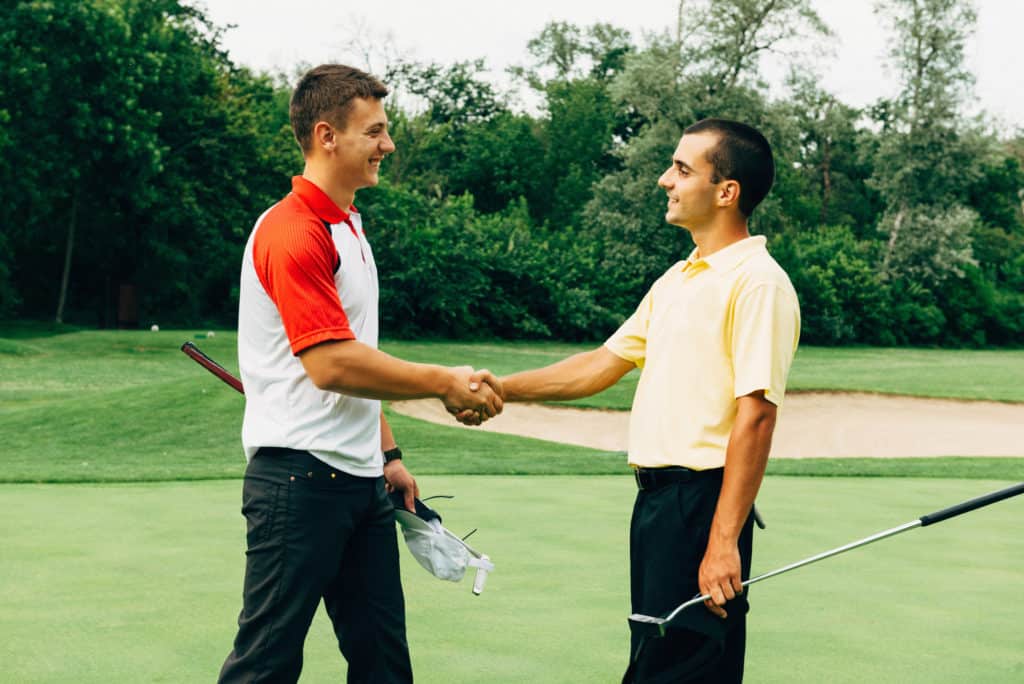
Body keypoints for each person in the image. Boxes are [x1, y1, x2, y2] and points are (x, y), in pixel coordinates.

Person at [219, 64, 502, 684]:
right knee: (265, 665)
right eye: (375, 131)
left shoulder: (349, 225)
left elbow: (357, 360)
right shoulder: (294, 230)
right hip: (296, 483)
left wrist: (389, 455)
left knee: (382, 661)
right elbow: (330, 364)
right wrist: (441, 380)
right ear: (327, 136)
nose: (388, 144)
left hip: (358, 481)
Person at [495, 118, 800, 682]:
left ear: (726, 191)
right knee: (657, 656)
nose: (666, 180)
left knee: (679, 665)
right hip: (659, 509)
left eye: (683, 169)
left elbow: (756, 417)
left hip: (702, 504)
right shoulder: (678, 279)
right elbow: (598, 366)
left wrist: (722, 541)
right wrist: (498, 389)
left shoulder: (758, 282)